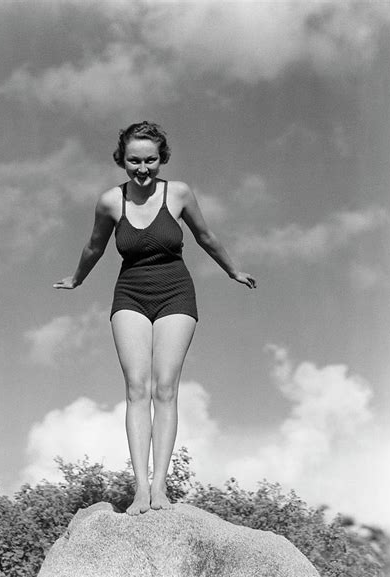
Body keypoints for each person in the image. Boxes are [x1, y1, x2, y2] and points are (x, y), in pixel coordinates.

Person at [54, 121, 256, 516]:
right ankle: (141, 490)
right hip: (130, 293)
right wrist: (77, 278)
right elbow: (95, 245)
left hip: (175, 293)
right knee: (136, 388)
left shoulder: (177, 194)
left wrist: (232, 270)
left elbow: (206, 236)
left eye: (150, 160)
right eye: (134, 161)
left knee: (165, 388)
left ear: (161, 159)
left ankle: (161, 487)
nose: (142, 168)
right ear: (122, 160)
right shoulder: (111, 202)